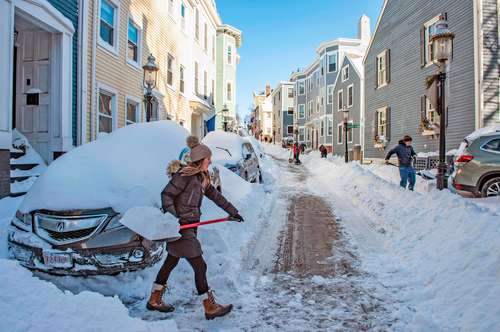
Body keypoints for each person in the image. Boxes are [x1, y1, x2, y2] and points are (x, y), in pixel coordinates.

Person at [147, 137, 244, 320]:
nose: (211, 161)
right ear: (200, 160)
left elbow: (216, 196)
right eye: (208, 158)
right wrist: (173, 218)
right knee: (200, 266)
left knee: (171, 262)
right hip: (181, 228)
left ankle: (154, 299)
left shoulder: (202, 178)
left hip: (189, 227)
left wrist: (233, 212)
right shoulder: (185, 176)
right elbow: (166, 195)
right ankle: (209, 307)